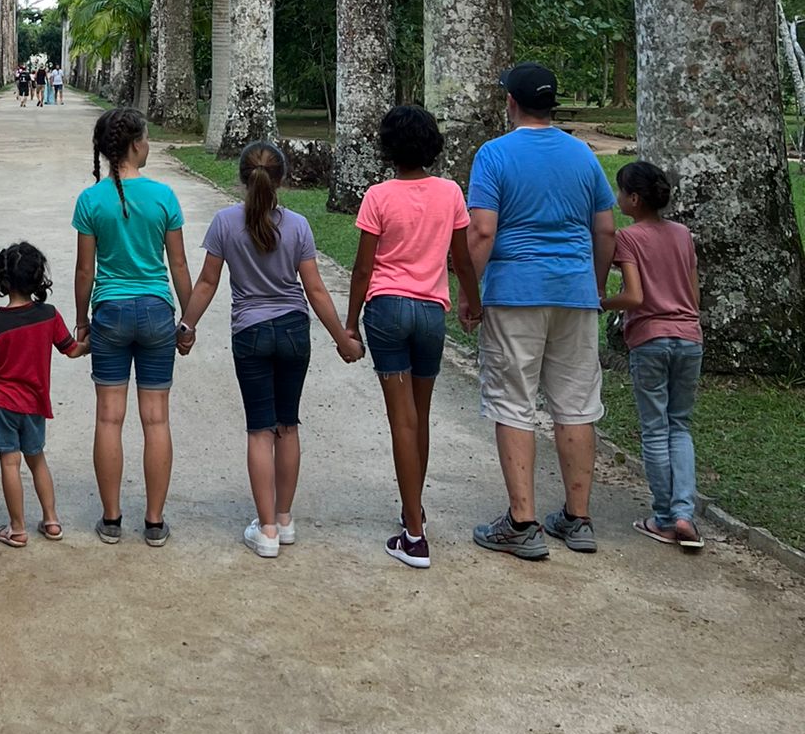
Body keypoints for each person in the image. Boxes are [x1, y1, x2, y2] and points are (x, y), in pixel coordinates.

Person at [180, 144, 362, 559]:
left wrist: (187, 327)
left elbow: (207, 282)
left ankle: (265, 531)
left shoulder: (226, 223)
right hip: (294, 331)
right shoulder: (297, 226)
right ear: (282, 179)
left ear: (243, 178)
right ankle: (284, 517)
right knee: (288, 426)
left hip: (251, 333)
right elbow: (314, 288)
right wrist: (342, 338)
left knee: (260, 429)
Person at [466, 63, 616, 560]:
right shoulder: (583, 155)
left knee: (514, 400)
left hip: (515, 292)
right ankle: (578, 518)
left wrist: (470, 291)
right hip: (575, 290)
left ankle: (522, 521)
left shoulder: (494, 155)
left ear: (511, 102)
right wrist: (591, 286)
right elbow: (606, 231)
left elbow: (483, 231)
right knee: (575, 403)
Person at [345, 105, 481, 569]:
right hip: (430, 313)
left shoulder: (378, 196)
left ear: (388, 147)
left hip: (386, 310)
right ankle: (413, 510)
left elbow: (364, 268)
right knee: (419, 418)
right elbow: (461, 260)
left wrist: (350, 322)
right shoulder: (450, 193)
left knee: (400, 420)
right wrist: (473, 303)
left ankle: (415, 533)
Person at [73, 106, 192, 546]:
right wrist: (188, 320)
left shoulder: (91, 200)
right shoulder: (163, 196)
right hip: (158, 312)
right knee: (156, 419)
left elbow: (85, 272)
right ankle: (155, 521)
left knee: (109, 417)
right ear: (136, 144)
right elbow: (177, 264)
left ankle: (111, 518)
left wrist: (82, 321)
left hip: (111, 313)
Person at [603, 160, 705, 551]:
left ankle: (663, 518)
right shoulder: (682, 234)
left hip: (650, 338)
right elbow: (693, 296)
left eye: (619, 191)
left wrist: (602, 302)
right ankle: (684, 514)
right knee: (679, 426)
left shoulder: (628, 238)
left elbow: (634, 297)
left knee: (655, 429)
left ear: (633, 198)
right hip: (689, 337)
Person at [0, 241, 82, 547]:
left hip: (3, 404)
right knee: (37, 460)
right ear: (38, 279)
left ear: (2, 281)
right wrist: (90, 344)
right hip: (35, 404)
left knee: (10, 463)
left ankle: (17, 528)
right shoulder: (48, 315)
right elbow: (71, 350)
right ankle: (51, 520)